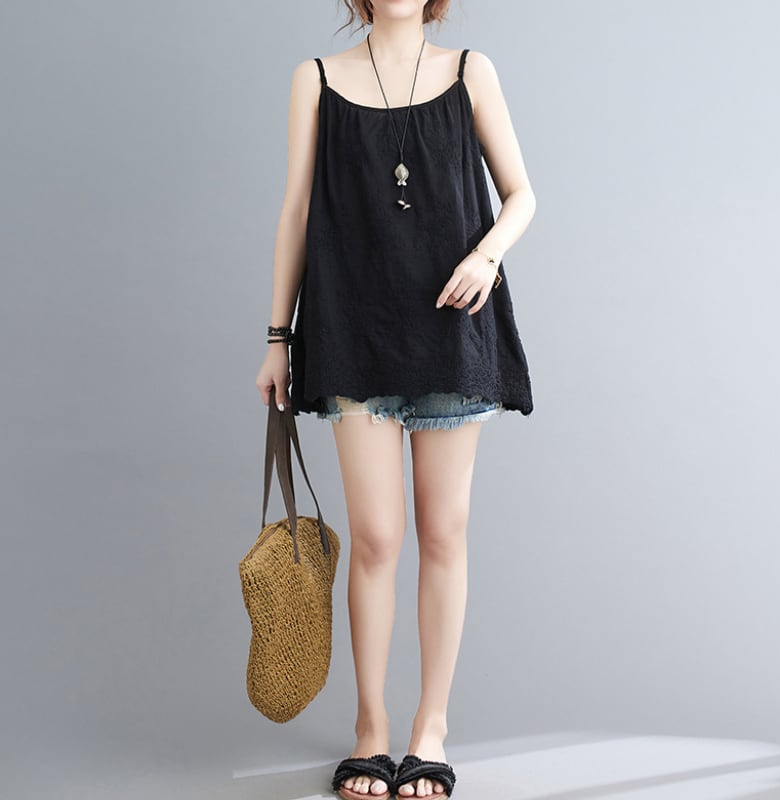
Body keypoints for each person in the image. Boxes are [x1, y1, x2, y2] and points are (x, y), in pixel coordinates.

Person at [255, 1, 536, 797]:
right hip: (353, 332)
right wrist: (277, 337)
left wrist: (487, 256)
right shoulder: (316, 79)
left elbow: (522, 194)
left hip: (451, 333)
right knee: (376, 541)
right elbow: (296, 211)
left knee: (443, 535)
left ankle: (430, 730)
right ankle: (370, 730)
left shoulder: (470, 71)